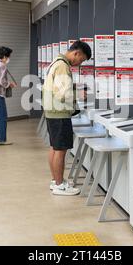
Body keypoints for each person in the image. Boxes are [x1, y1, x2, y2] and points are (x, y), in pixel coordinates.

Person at [42, 40, 92, 196]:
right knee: (61, 150)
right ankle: (59, 185)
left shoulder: (56, 62)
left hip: (52, 112)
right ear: (76, 53)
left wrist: (73, 87)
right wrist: (79, 94)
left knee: (55, 147)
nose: (79, 63)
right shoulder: (63, 66)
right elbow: (62, 94)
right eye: (81, 60)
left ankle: (56, 181)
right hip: (60, 113)